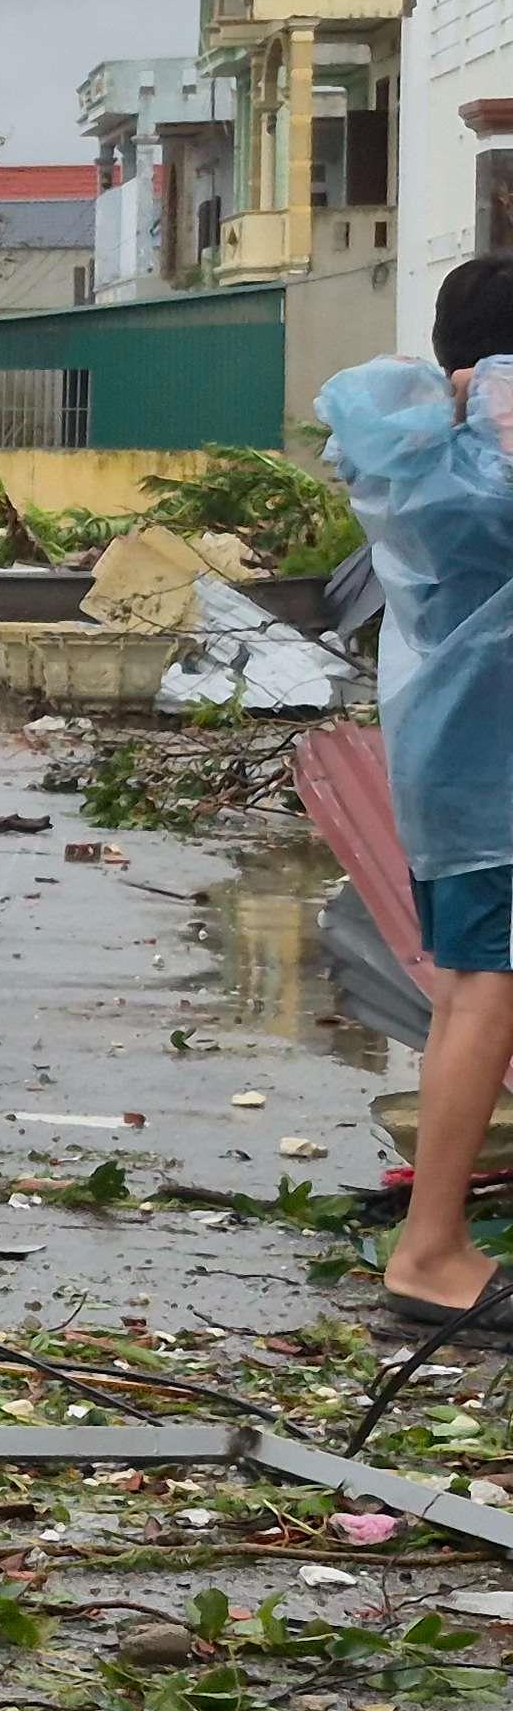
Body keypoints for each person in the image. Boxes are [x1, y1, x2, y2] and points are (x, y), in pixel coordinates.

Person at [320, 252, 513, 1344]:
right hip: (493, 778)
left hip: (456, 772)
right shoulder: (482, 477)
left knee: (467, 992)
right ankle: (431, 1251)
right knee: (488, 988)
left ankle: (434, 1242)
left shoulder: (430, 455)